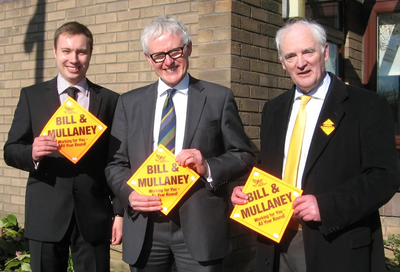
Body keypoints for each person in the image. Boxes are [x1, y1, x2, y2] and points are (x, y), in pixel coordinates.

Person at [231, 19, 400, 272]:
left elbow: (384, 177)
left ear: (325, 52)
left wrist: (327, 205)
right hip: (275, 242)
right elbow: (269, 166)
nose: (300, 63)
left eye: (308, 51)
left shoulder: (366, 106)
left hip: (334, 244)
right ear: (282, 62)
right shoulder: (273, 109)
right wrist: (246, 190)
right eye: (290, 56)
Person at [106, 14, 255, 272]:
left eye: (175, 51)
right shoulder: (129, 103)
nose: (169, 61)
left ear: (188, 48)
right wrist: (130, 195)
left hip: (200, 227)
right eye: (159, 55)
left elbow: (244, 154)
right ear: (148, 59)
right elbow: (115, 164)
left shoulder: (218, 98)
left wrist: (207, 166)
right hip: (146, 227)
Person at [4, 21, 123, 272]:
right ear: (55, 51)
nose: (74, 59)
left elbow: (118, 161)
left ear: (90, 54)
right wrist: (32, 153)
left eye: (81, 51)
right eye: (67, 51)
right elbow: (11, 150)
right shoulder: (32, 96)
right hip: (45, 214)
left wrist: (119, 212)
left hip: (94, 216)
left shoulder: (111, 100)